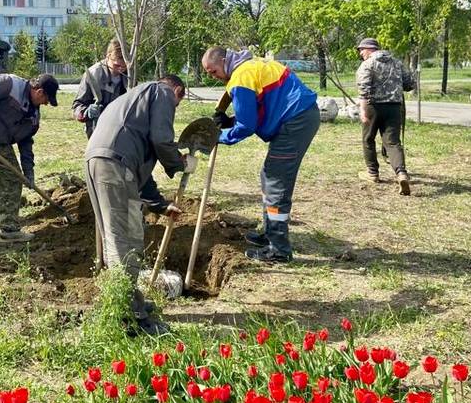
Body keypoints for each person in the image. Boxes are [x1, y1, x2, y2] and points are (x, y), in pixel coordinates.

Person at [85, 74, 197, 335]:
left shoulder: (132, 103)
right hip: (114, 166)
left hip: (98, 162)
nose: (173, 108)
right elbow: (160, 139)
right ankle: (129, 318)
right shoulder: (163, 92)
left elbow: (138, 171)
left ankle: (128, 302)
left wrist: (159, 205)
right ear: (177, 90)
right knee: (126, 239)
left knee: (115, 238)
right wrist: (179, 163)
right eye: (177, 104)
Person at [202, 47, 320, 264]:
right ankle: (269, 233)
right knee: (268, 176)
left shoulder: (241, 77)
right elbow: (258, 106)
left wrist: (219, 136)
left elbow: (247, 126)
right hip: (299, 116)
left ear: (224, 61)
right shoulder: (251, 65)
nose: (212, 76)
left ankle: (278, 249)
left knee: (276, 180)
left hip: (295, 122)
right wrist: (229, 121)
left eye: (213, 71)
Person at [0, 72, 59, 258]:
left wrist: (28, 173)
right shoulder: (9, 84)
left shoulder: (33, 115)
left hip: (0, 141)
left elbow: (25, 142)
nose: (46, 103)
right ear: (38, 91)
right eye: (46, 98)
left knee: (13, 180)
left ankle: (9, 229)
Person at [354, 38, 413, 195]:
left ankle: (372, 173)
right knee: (393, 142)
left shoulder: (367, 65)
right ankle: (401, 173)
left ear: (370, 49)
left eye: (361, 50)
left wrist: (363, 110)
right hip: (394, 107)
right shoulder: (397, 63)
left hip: (373, 106)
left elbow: (364, 88)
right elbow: (410, 84)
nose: (360, 53)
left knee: (368, 138)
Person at [72, 39, 129, 138]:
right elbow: (77, 106)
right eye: (117, 65)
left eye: (124, 66)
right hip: (97, 131)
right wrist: (86, 112)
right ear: (108, 56)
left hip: (122, 131)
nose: (121, 68)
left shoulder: (130, 75)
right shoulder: (93, 74)